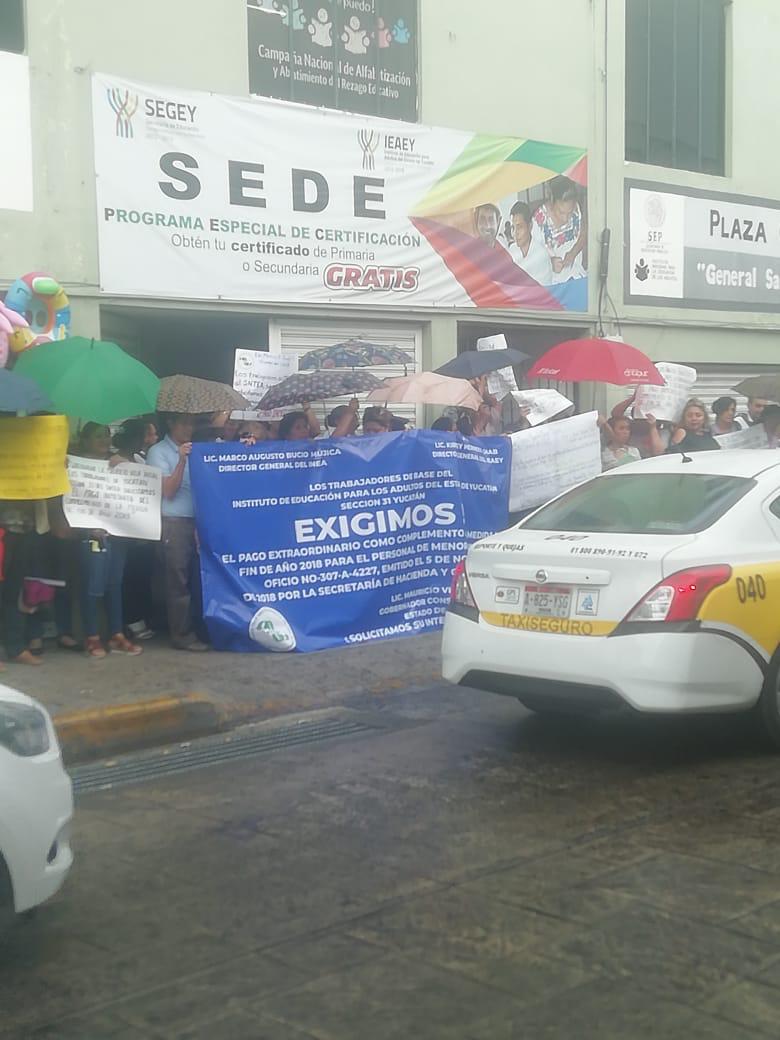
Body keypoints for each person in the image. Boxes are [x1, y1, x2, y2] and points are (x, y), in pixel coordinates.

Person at [73, 423, 142, 658]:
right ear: (85, 440)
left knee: (115, 584)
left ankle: (116, 634)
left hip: (117, 534)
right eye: (98, 436)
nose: (104, 440)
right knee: (93, 586)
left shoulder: (117, 463)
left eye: (107, 435)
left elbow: (137, 491)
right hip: (90, 536)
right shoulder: (75, 465)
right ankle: (91, 636)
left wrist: (126, 467)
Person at [147, 413, 209, 652]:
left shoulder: (196, 449)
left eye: (192, 423)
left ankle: (199, 629)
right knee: (177, 580)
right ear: (171, 423)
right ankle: (181, 635)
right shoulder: (158, 452)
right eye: (183, 422)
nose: (189, 428)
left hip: (195, 521)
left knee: (195, 578)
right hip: (173, 521)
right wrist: (181, 460)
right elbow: (168, 491)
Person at [533, 176, 587, 282]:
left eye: (569, 213)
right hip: (551, 282)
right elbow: (532, 256)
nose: (566, 218)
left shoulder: (575, 208)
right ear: (552, 200)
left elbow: (583, 234)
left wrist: (573, 252)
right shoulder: (539, 219)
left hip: (575, 275)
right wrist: (549, 262)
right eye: (561, 212)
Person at [509, 201, 553, 285]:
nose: (515, 233)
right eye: (512, 228)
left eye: (519, 227)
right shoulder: (511, 250)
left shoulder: (540, 254)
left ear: (530, 226)